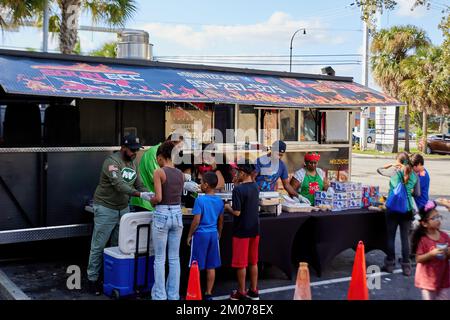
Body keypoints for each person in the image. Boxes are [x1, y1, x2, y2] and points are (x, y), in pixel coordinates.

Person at [87, 134, 152, 295]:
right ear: (123, 147)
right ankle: (92, 280)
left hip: (123, 208)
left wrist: (149, 194)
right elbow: (119, 185)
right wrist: (139, 195)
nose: (135, 153)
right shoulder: (111, 162)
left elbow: (139, 183)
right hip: (105, 208)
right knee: (98, 245)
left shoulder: (133, 162)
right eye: (132, 150)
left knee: (117, 246)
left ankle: (110, 277)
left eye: (137, 150)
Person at [149, 140, 186, 300]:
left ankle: (159, 295)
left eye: (157, 158)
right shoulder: (181, 174)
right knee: (174, 258)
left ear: (161, 156)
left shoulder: (159, 172)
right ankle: (173, 295)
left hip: (162, 214)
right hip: (177, 214)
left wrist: (151, 199)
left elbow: (158, 197)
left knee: (159, 259)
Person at [379, 152, 420, 276]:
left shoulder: (394, 172)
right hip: (406, 210)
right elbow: (417, 194)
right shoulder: (414, 176)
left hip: (392, 209)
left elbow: (379, 170)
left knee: (390, 237)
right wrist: (407, 191)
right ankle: (406, 267)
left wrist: (391, 165)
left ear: (399, 162)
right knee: (404, 239)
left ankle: (390, 264)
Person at [224, 163, 260, 300]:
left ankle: (241, 291)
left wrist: (227, 208)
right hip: (255, 229)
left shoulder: (238, 190)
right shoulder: (255, 187)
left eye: (238, 172)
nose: (236, 174)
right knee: (253, 261)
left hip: (241, 231)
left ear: (244, 173)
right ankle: (254, 290)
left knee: (241, 263)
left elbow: (237, 212)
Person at [186, 171, 224, 300]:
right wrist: (219, 233)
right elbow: (221, 220)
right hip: (213, 234)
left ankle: (195, 291)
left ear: (206, 185)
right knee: (211, 266)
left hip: (201, 235)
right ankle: (208, 292)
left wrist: (189, 235)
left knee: (196, 265)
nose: (200, 184)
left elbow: (196, 221)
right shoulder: (219, 201)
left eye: (201, 182)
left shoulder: (200, 200)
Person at [130, 134, 183, 212]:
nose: (178, 151)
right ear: (170, 143)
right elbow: (157, 179)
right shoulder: (155, 153)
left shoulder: (166, 155)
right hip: (145, 202)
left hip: (156, 203)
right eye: (178, 147)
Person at [411, 200, 450, 300]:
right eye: (434, 218)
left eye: (439, 217)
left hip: (444, 279)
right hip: (427, 282)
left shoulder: (445, 236)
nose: (438, 220)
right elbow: (418, 259)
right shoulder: (423, 240)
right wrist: (431, 254)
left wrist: (448, 252)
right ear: (424, 223)